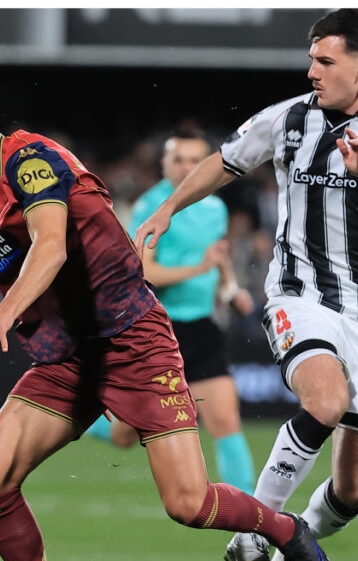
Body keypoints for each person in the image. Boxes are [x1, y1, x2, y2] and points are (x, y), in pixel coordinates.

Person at [0, 69, 335, 561]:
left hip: (133, 342)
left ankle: (286, 530)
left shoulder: (30, 160)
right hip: (70, 358)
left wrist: (1, 314)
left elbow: (52, 244)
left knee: (187, 502)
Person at [133, 9, 358, 561]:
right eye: (312, 59)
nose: (312, 70)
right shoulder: (289, 119)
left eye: (326, 61)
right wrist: (169, 210)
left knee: (355, 487)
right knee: (325, 401)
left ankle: (292, 544)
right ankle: (254, 533)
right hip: (301, 293)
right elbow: (225, 160)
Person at [85, 129, 257, 495]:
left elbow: (218, 257)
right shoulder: (151, 206)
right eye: (178, 159)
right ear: (163, 164)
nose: (186, 167)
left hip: (202, 327)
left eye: (195, 160)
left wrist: (231, 290)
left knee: (225, 420)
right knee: (125, 434)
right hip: (158, 331)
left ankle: (253, 520)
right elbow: (143, 271)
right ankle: (88, 421)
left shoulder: (215, 207)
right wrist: (199, 270)